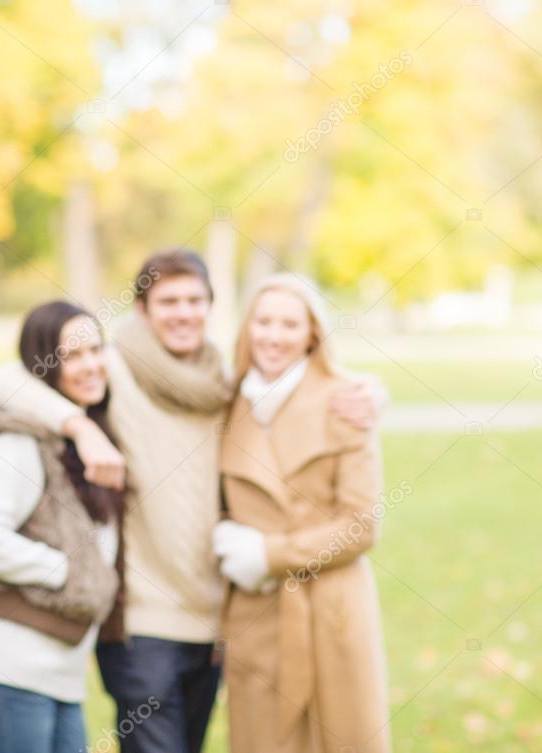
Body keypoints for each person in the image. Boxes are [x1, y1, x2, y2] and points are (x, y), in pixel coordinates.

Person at [0, 250, 380, 753]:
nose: (183, 312)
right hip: (141, 626)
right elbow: (6, 381)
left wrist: (369, 393)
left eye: (195, 300)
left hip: (214, 624)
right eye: (168, 301)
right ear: (142, 311)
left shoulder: (223, 385)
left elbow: (305, 394)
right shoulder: (117, 368)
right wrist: (80, 426)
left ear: (211, 307)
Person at [213, 273, 390, 753]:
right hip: (259, 611)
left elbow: (361, 525)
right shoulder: (226, 404)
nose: (273, 335)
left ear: (312, 332)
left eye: (289, 324)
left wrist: (269, 554)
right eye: (263, 321)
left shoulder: (347, 401)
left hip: (332, 610)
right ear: (247, 328)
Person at [0, 300, 123, 753]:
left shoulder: (87, 441)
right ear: (43, 365)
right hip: (9, 670)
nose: (89, 366)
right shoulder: (18, 444)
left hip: (58, 677)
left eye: (95, 350)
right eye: (72, 356)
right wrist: (72, 572)